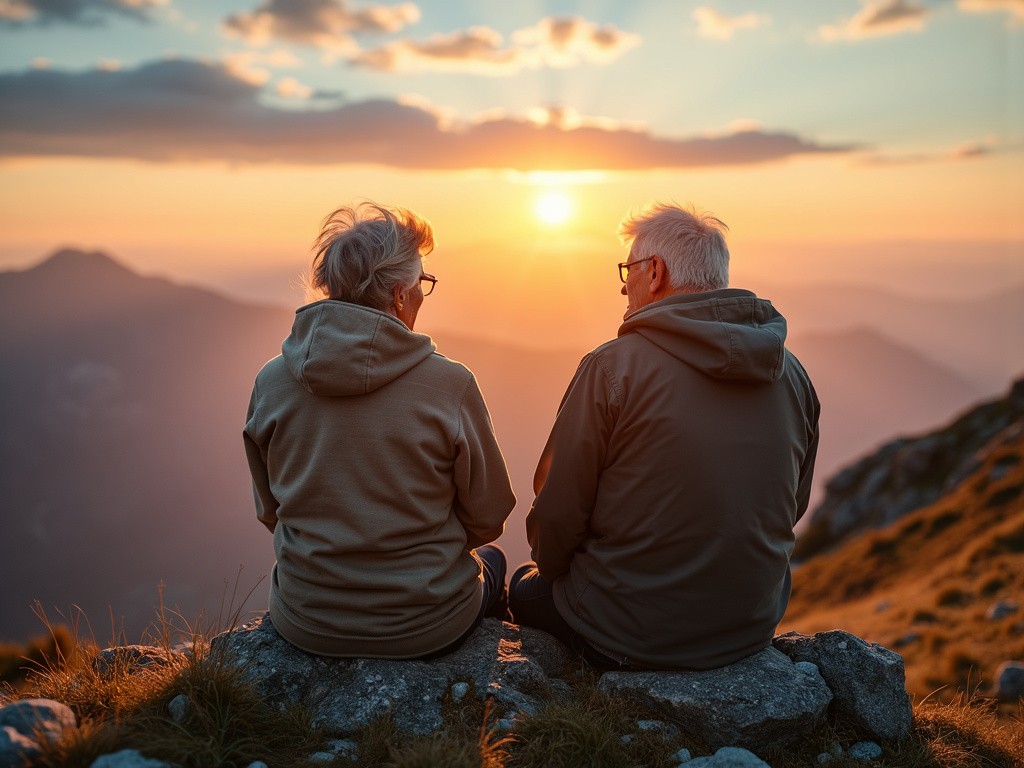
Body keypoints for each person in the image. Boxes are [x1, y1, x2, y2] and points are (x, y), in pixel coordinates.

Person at [509, 202, 820, 671]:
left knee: (520, 586)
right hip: (748, 628)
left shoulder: (612, 368)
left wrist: (556, 577)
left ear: (654, 272)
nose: (622, 283)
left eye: (627, 269)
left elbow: (557, 513)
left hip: (626, 632)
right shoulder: (791, 373)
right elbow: (791, 505)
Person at [243, 201, 516, 659]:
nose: (424, 296)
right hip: (426, 622)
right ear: (397, 296)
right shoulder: (450, 385)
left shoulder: (271, 382)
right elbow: (488, 518)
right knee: (495, 562)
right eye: (422, 285)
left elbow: (270, 510)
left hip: (307, 619)